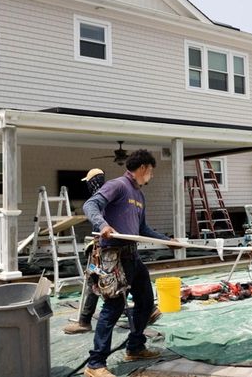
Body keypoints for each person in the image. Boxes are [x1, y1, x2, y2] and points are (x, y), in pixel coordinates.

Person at [82, 150, 176, 377]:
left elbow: (143, 230)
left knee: (145, 302)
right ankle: (95, 365)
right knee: (113, 308)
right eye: (151, 172)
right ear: (143, 168)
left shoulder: (139, 196)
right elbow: (90, 205)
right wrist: (102, 224)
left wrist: (168, 241)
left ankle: (134, 347)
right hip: (113, 256)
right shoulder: (118, 185)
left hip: (132, 256)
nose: (150, 176)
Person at [64, 168, 106, 335]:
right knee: (111, 281)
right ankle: (147, 309)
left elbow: (99, 223)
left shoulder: (98, 200)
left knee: (94, 280)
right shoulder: (109, 196)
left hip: (101, 250)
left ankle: (84, 321)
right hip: (109, 249)